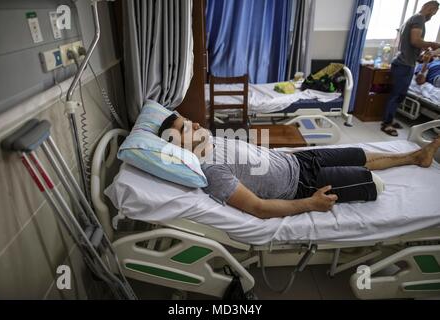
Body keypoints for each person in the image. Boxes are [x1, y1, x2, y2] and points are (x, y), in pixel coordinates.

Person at [158, 114, 440, 219]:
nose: (195, 123)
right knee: (370, 182)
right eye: (185, 127)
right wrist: (311, 204)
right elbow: (258, 207)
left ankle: (415, 157)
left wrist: (291, 152)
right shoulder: (210, 171)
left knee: (358, 153)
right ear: (176, 144)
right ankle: (413, 159)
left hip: (298, 159)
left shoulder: (211, 139)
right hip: (300, 185)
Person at [382, 1, 440, 137]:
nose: (433, 15)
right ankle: (387, 123)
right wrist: (433, 44)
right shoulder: (419, 19)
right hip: (404, 64)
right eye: (434, 12)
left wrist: (423, 54)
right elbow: (415, 41)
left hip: (406, 63)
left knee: (400, 95)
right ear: (430, 8)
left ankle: (389, 119)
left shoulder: (414, 19)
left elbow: (412, 45)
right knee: (397, 95)